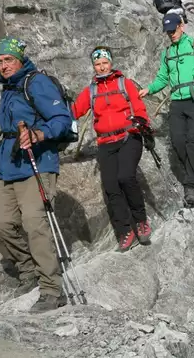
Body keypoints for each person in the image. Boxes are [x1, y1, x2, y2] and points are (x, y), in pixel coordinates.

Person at [0, 37, 72, 312]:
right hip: (9, 166)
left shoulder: (36, 82)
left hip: (37, 164)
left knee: (35, 224)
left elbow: (62, 119)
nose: (3, 65)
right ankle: (28, 269)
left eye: (8, 59)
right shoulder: (9, 88)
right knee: (1, 226)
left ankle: (52, 291)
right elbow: (3, 115)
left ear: (20, 59)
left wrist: (39, 133)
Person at [71, 46, 152, 252]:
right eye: (97, 64)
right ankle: (126, 231)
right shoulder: (91, 90)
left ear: (111, 63)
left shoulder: (125, 84)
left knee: (126, 177)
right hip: (105, 142)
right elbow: (74, 111)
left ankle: (141, 221)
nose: (101, 67)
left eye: (104, 63)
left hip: (129, 136)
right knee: (111, 186)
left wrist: (142, 123)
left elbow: (139, 106)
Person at [138, 14, 194, 208]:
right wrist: (149, 89)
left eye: (173, 29)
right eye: (168, 32)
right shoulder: (167, 53)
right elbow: (162, 78)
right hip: (177, 102)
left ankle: (191, 187)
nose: (171, 34)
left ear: (182, 26)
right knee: (179, 142)